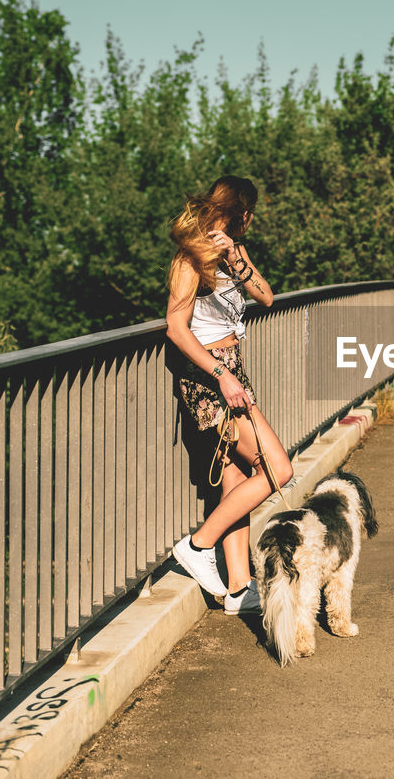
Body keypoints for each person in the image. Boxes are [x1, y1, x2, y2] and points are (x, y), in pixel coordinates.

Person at [167, 175, 292, 614]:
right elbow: (176, 329)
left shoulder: (230, 253)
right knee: (278, 468)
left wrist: (236, 256)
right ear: (241, 210)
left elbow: (267, 297)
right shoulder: (190, 259)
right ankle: (198, 546)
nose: (250, 222)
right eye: (249, 214)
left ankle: (239, 588)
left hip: (231, 372)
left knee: (237, 478)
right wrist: (221, 375)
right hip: (210, 377)